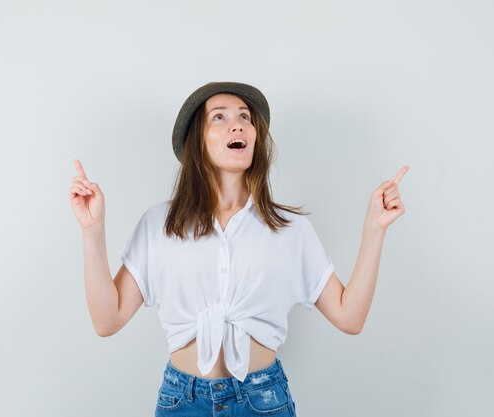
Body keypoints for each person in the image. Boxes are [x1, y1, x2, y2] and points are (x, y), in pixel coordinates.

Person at [69, 81, 408, 416]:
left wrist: (374, 228)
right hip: (182, 401)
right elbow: (107, 320)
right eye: (219, 117)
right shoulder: (161, 224)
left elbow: (350, 317)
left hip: (262, 401)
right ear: (197, 141)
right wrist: (92, 230)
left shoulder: (290, 230)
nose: (238, 124)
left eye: (245, 117)